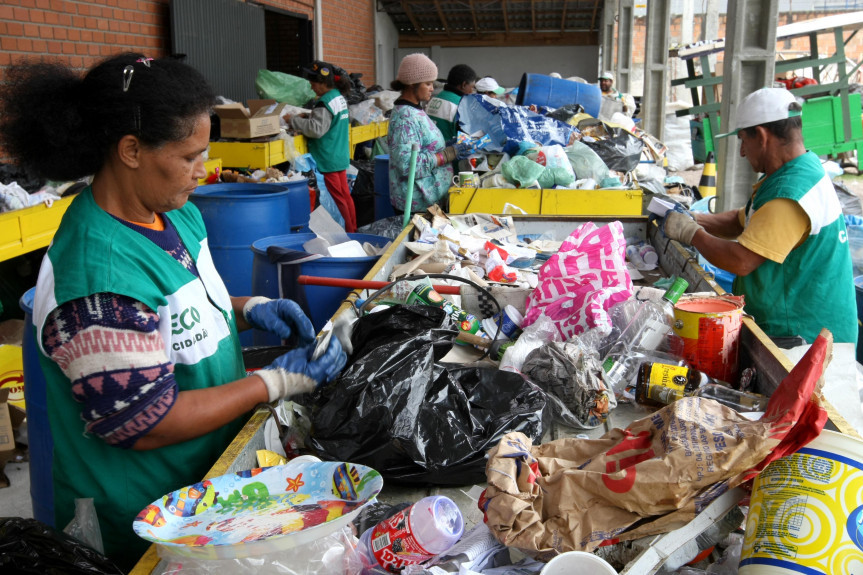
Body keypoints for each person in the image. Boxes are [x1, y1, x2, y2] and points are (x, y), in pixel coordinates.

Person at [0, 53, 347, 570]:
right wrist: (274, 382)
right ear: (132, 150)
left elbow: (175, 308)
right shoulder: (98, 273)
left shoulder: (174, 215)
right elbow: (143, 421)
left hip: (203, 483)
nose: (202, 171)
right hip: (141, 518)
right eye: (189, 157)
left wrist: (249, 308)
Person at [660, 87, 857, 347]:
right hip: (797, 327)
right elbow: (743, 220)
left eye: (743, 140)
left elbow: (741, 260)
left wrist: (692, 234)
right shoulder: (795, 172)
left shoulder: (790, 194)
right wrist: (696, 218)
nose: (742, 151)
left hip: (803, 338)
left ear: (762, 136)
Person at [387, 54, 471, 214]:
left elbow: (422, 144)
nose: (432, 88)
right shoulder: (405, 117)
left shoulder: (415, 109)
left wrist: (447, 145)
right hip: (416, 205)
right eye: (428, 84)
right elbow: (407, 165)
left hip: (429, 201)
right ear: (412, 84)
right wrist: (446, 155)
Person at [286, 61, 356, 232]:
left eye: (313, 84)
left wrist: (293, 120)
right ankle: (353, 228)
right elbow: (328, 120)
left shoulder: (324, 103)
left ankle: (350, 233)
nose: (312, 88)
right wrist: (309, 115)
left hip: (328, 157)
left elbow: (316, 129)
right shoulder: (337, 97)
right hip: (338, 155)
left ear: (324, 83)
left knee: (339, 198)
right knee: (345, 197)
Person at [427, 63, 477, 143]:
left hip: (430, 150)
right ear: (464, 85)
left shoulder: (434, 99)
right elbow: (466, 143)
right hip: (447, 152)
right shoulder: (461, 106)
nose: (472, 92)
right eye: (472, 87)